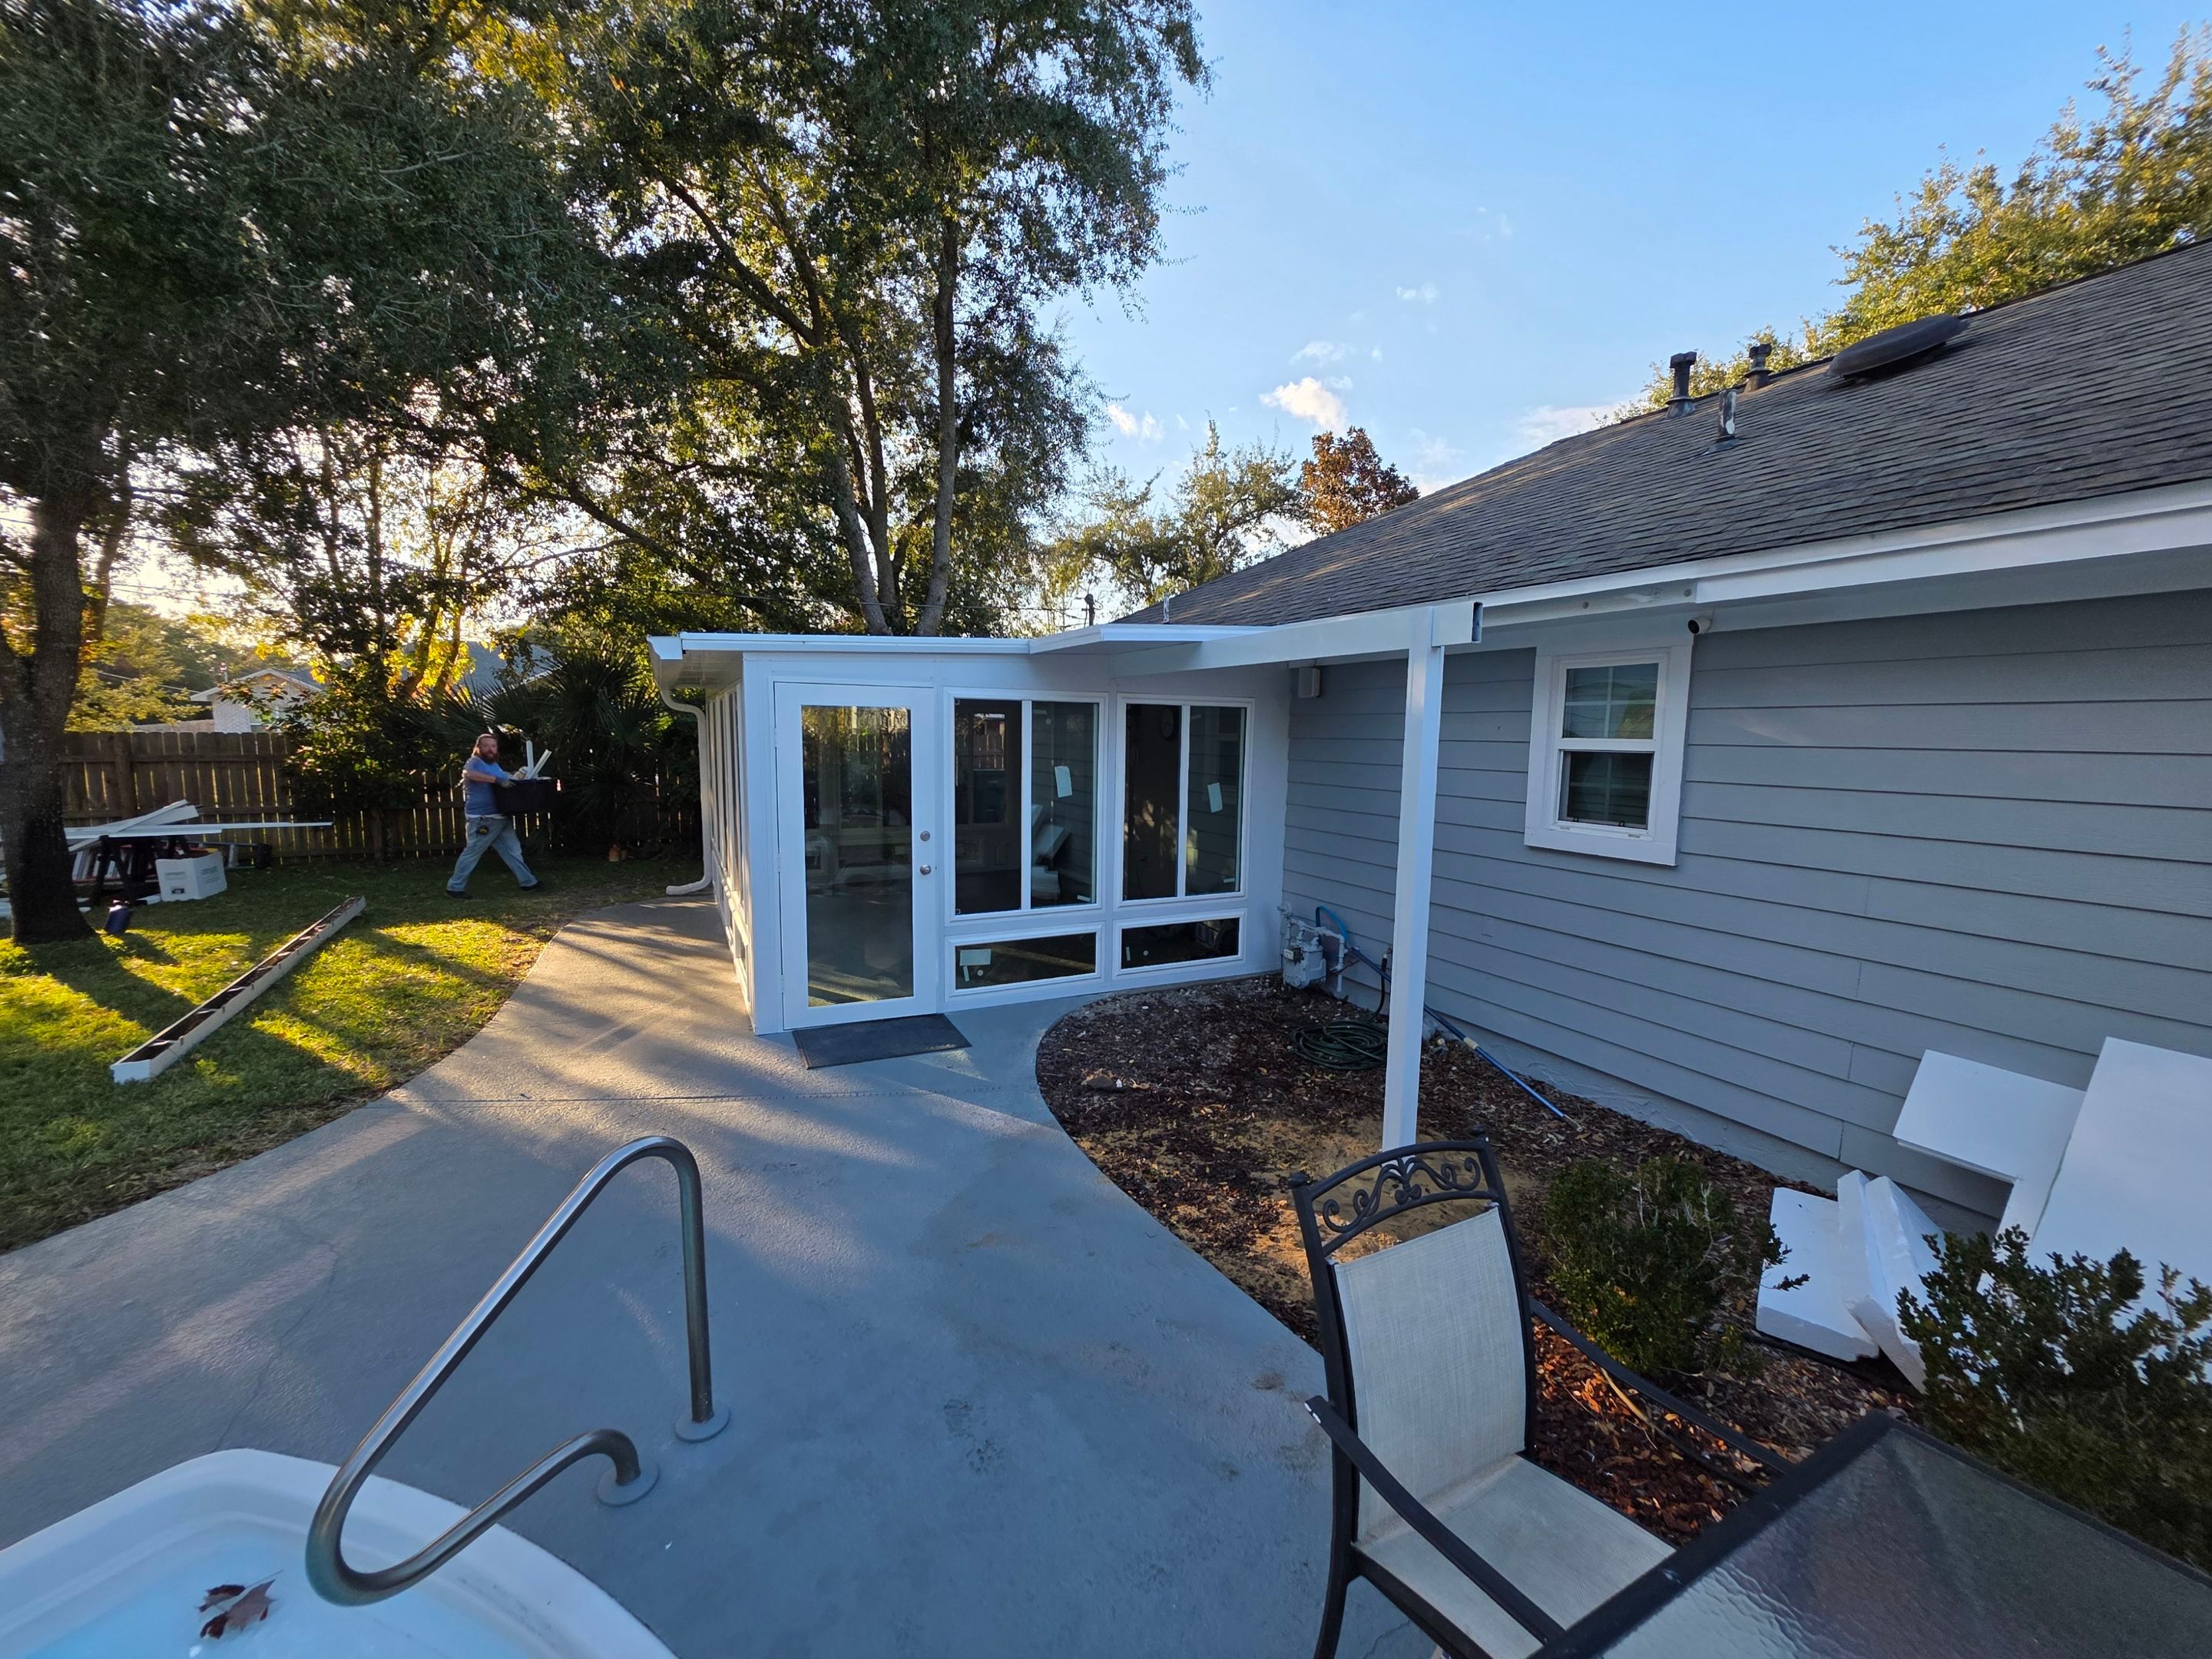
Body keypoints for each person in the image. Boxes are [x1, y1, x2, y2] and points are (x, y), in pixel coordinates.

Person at [447, 733, 541, 896]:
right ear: (478, 748)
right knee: (473, 852)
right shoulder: (475, 762)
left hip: (499, 817)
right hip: (483, 819)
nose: (490, 749)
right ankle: (454, 888)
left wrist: (518, 777)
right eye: (486, 746)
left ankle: (528, 883)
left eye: (493, 746)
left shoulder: (494, 765)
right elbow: (468, 774)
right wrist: (497, 781)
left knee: (513, 850)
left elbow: (506, 778)